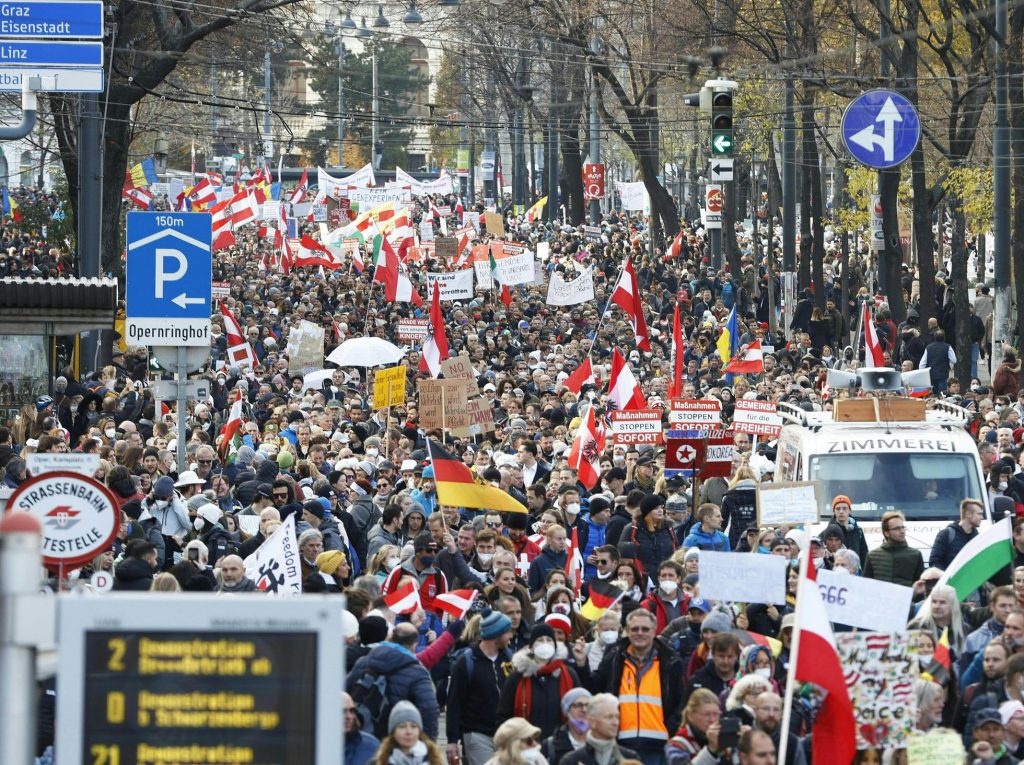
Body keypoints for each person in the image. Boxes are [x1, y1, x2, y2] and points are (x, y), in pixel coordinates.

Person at [590, 608, 686, 765]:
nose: (639, 633)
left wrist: (668, 729)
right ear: (627, 631)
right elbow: (595, 689)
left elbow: (681, 702)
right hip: (620, 745)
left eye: (645, 629)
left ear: (654, 631)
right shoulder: (614, 658)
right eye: (634, 629)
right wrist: (581, 665)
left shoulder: (671, 662)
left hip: (659, 747)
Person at [348, 622, 441, 740]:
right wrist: (428, 744)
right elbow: (429, 709)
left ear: (391, 638)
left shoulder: (364, 661)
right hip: (399, 740)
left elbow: (345, 693)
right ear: (414, 645)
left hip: (364, 735)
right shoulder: (417, 671)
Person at [447, 609, 516, 765]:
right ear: (496, 634)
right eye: (507, 632)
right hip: (477, 735)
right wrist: (452, 740)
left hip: (506, 735)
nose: (510, 637)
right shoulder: (466, 663)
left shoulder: (510, 659)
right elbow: (454, 702)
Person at [498, 622, 585, 739]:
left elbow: (581, 707)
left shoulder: (568, 674)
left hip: (561, 744)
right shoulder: (518, 676)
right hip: (526, 743)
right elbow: (504, 715)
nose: (545, 644)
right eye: (540, 640)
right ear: (531, 647)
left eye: (549, 640)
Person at [559, 693, 639, 765]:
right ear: (592, 722)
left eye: (617, 717)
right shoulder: (571, 760)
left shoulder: (630, 759)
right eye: (609, 717)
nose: (615, 723)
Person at [863, 511, 924, 587]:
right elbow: (867, 585)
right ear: (886, 533)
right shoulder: (872, 556)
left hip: (907, 598)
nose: (902, 531)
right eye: (897, 529)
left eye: (903, 528)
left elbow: (920, 587)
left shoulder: (915, 555)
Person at [373, 701, 445, 765]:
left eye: (413, 726)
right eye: (402, 726)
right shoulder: (379, 761)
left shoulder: (433, 760)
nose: (409, 732)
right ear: (393, 731)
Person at [540, 687, 592, 765]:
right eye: (578, 705)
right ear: (567, 710)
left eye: (588, 705)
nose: (584, 709)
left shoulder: (601, 743)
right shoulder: (551, 746)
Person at [930, 498, 984, 571]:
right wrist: (948, 577)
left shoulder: (978, 537)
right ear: (968, 514)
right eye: (979, 514)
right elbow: (934, 562)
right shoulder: (946, 534)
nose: (982, 517)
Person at [751, 693, 803, 765]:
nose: (771, 714)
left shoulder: (792, 743)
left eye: (776, 710)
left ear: (781, 713)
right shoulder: (744, 739)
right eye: (766, 708)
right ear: (755, 710)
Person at [485, 717, 550, 765]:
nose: (535, 744)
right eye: (529, 741)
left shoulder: (538, 759)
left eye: (536, 738)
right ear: (514, 745)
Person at [828, 495, 868, 564]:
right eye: (838, 509)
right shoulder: (828, 532)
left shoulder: (858, 531)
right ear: (834, 511)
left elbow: (864, 555)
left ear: (849, 510)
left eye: (844, 508)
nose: (841, 511)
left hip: (855, 572)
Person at [345, 691, 382, 765]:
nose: (349, 716)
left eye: (352, 711)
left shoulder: (373, 746)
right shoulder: (318, 747)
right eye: (342, 711)